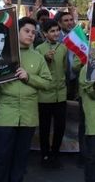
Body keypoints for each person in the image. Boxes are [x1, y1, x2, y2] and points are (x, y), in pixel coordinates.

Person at [0, 17, 51, 182]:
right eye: (26, 31)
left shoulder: (38, 57)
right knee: (1, 157)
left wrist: (29, 77)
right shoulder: (2, 55)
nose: (31, 35)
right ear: (15, 32)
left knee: (21, 159)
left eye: (33, 32)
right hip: (6, 114)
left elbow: (47, 83)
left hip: (28, 116)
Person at [35, 19, 67, 169]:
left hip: (60, 95)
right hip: (44, 96)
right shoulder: (39, 49)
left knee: (60, 127)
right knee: (45, 128)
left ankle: (55, 154)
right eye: (52, 31)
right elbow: (35, 71)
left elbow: (66, 69)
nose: (56, 33)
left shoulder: (63, 48)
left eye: (57, 30)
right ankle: (45, 155)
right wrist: (44, 59)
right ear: (44, 33)